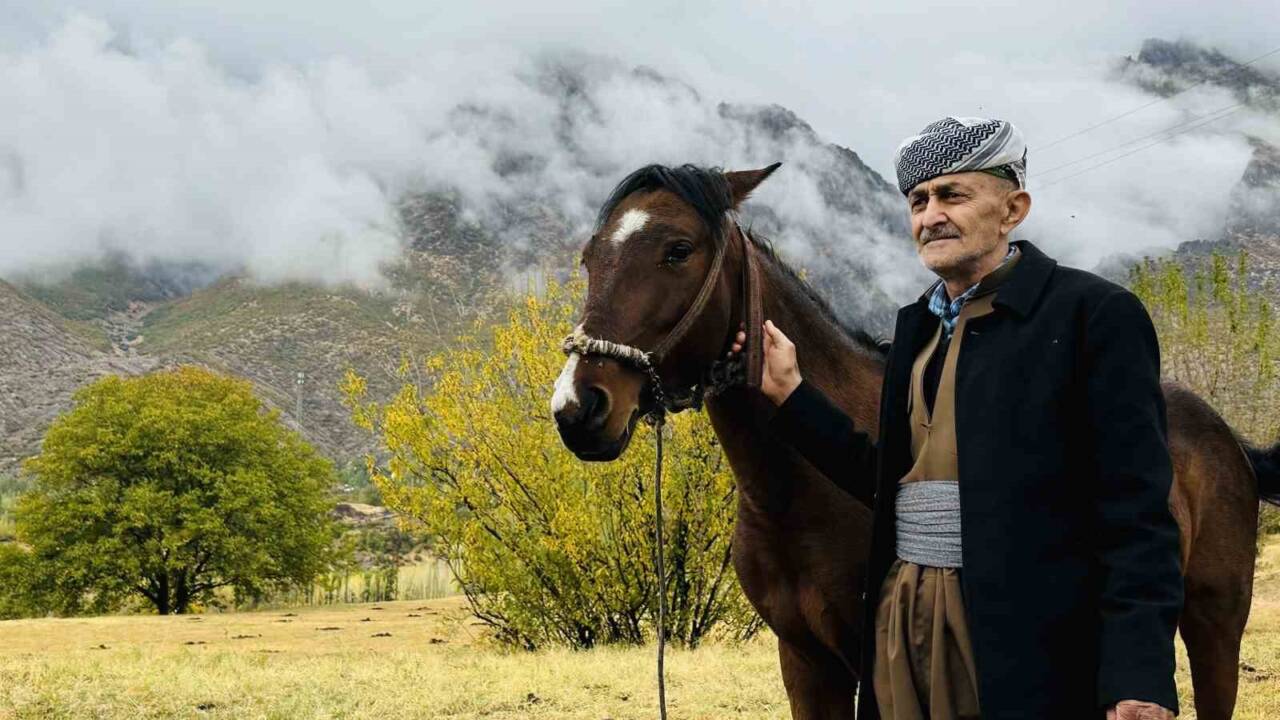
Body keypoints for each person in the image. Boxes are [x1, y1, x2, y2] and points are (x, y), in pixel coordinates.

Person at [731, 117, 1182, 720]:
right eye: (918, 201)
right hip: (905, 630)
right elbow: (888, 479)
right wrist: (792, 396)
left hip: (1031, 643)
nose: (930, 215)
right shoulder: (915, 330)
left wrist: (1138, 675)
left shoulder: (1093, 316)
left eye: (953, 194)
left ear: (1012, 208)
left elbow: (1136, 514)